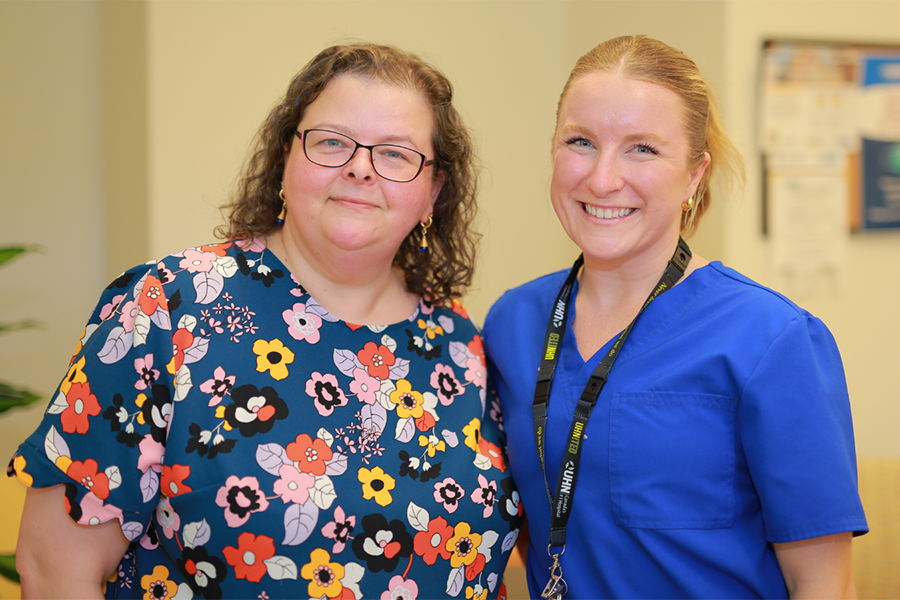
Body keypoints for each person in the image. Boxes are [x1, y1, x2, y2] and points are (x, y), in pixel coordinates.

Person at [11, 43, 520, 600]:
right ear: (285, 159)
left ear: (433, 192)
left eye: (396, 154)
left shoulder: (460, 342)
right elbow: (56, 571)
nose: (359, 167)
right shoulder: (166, 308)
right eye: (331, 142)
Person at [483, 35, 867, 600]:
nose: (603, 178)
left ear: (693, 175)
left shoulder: (771, 339)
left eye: (643, 148)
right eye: (581, 141)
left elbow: (823, 585)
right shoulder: (513, 323)